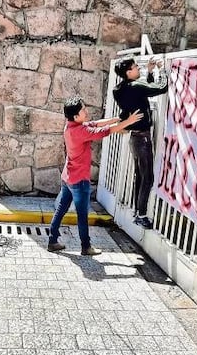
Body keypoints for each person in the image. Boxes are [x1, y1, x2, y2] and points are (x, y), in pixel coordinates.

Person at [47, 96, 143, 256]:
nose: (86, 111)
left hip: (68, 177)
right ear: (76, 116)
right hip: (79, 181)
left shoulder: (71, 126)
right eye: (83, 110)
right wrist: (129, 121)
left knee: (61, 209)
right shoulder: (80, 132)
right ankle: (86, 247)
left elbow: (95, 124)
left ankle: (52, 241)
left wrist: (117, 119)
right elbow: (104, 131)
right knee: (82, 215)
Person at [111, 57, 167, 229]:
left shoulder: (119, 90)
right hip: (142, 139)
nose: (138, 69)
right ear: (128, 72)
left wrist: (149, 72)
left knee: (140, 176)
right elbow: (161, 88)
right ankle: (141, 215)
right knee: (147, 177)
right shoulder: (135, 87)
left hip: (135, 139)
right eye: (136, 67)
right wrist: (161, 70)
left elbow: (144, 91)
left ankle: (138, 212)